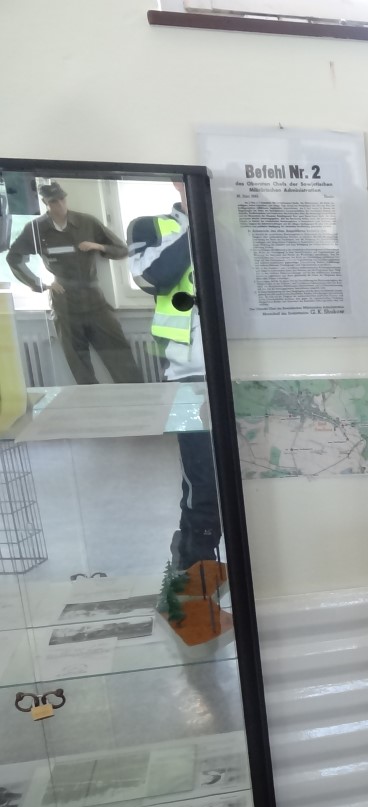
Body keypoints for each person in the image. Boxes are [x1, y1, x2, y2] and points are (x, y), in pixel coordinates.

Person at [128, 181, 228, 645]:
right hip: (187, 378)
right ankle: (187, 596)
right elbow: (154, 275)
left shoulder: (233, 225)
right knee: (202, 487)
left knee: (241, 484)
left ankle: (206, 577)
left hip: (236, 375)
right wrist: (195, 223)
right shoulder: (149, 227)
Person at [5, 182, 143, 385]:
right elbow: (13, 258)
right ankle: (92, 402)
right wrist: (39, 284)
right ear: (45, 202)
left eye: (62, 199)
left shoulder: (86, 222)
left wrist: (98, 246)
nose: (60, 205)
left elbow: (122, 249)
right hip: (64, 301)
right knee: (78, 362)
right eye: (54, 201)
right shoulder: (36, 228)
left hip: (93, 298)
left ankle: (137, 396)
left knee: (119, 355)